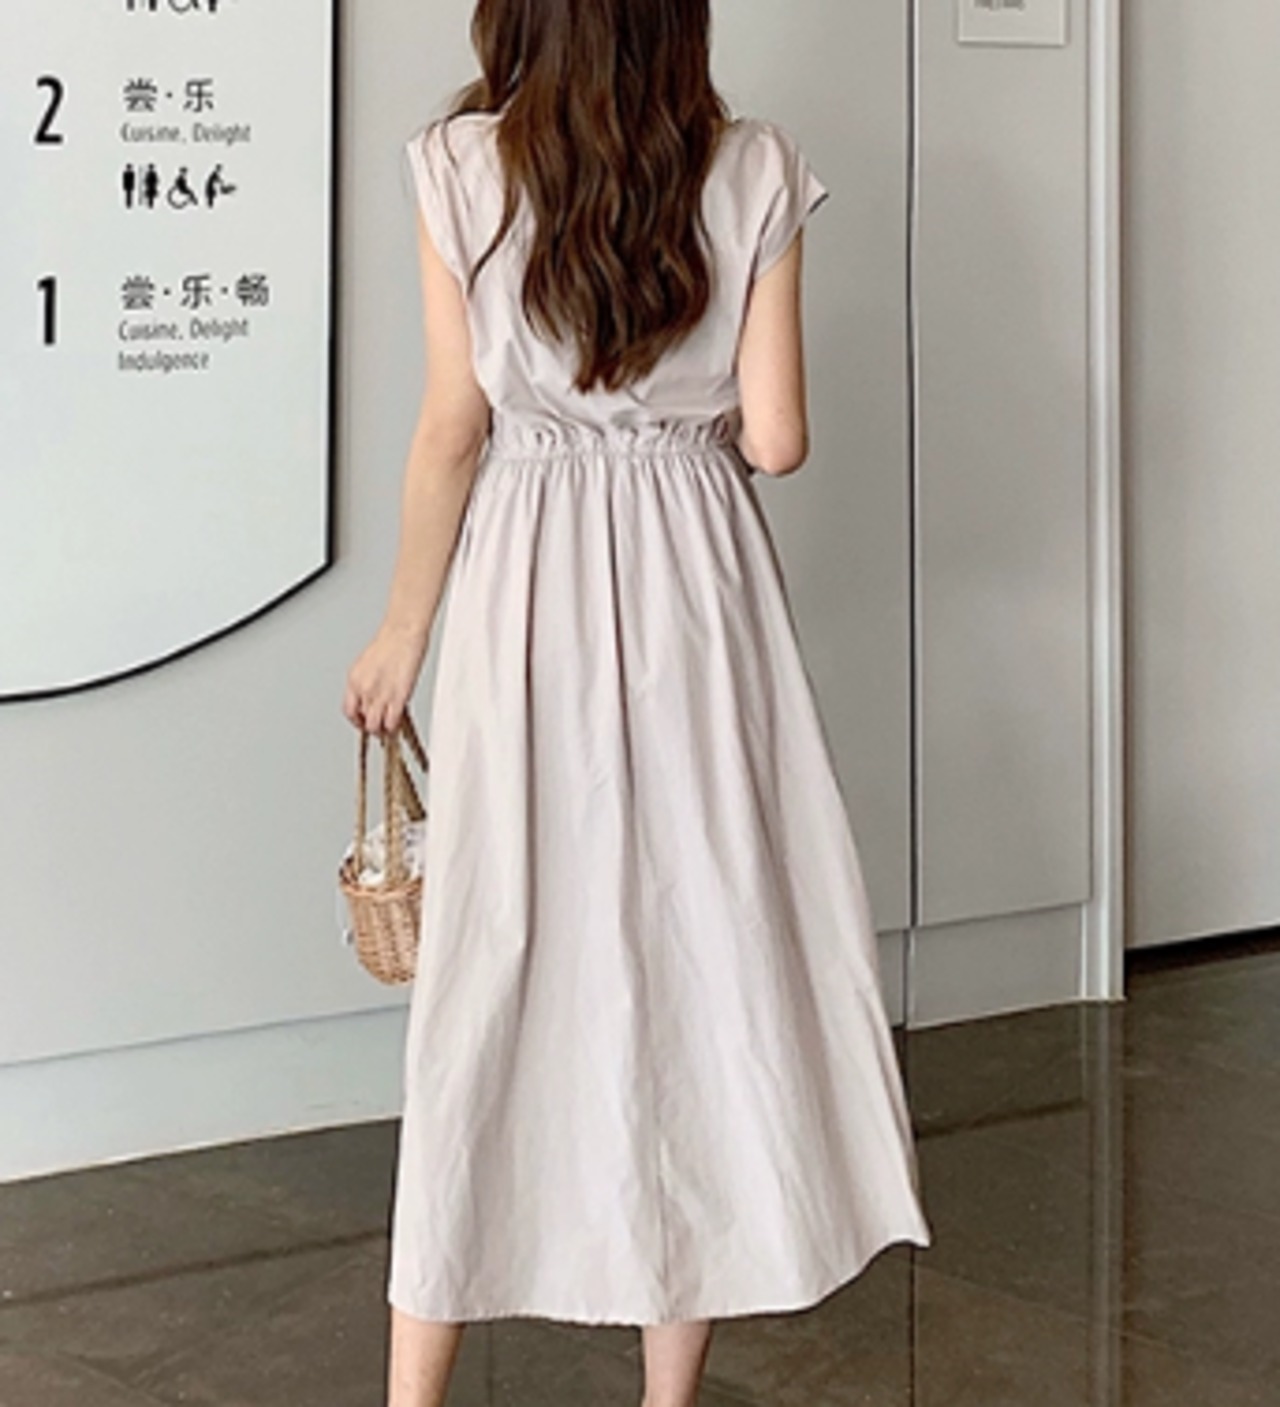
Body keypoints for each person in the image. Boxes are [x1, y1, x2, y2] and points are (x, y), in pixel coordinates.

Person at [342, 2, 932, 1404]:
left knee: (494, 968)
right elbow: (777, 441)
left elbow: (453, 427)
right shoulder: (755, 167)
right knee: (703, 957)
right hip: (699, 591)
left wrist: (400, 636)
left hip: (524, 588)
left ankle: (414, 1397)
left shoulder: (460, 168)